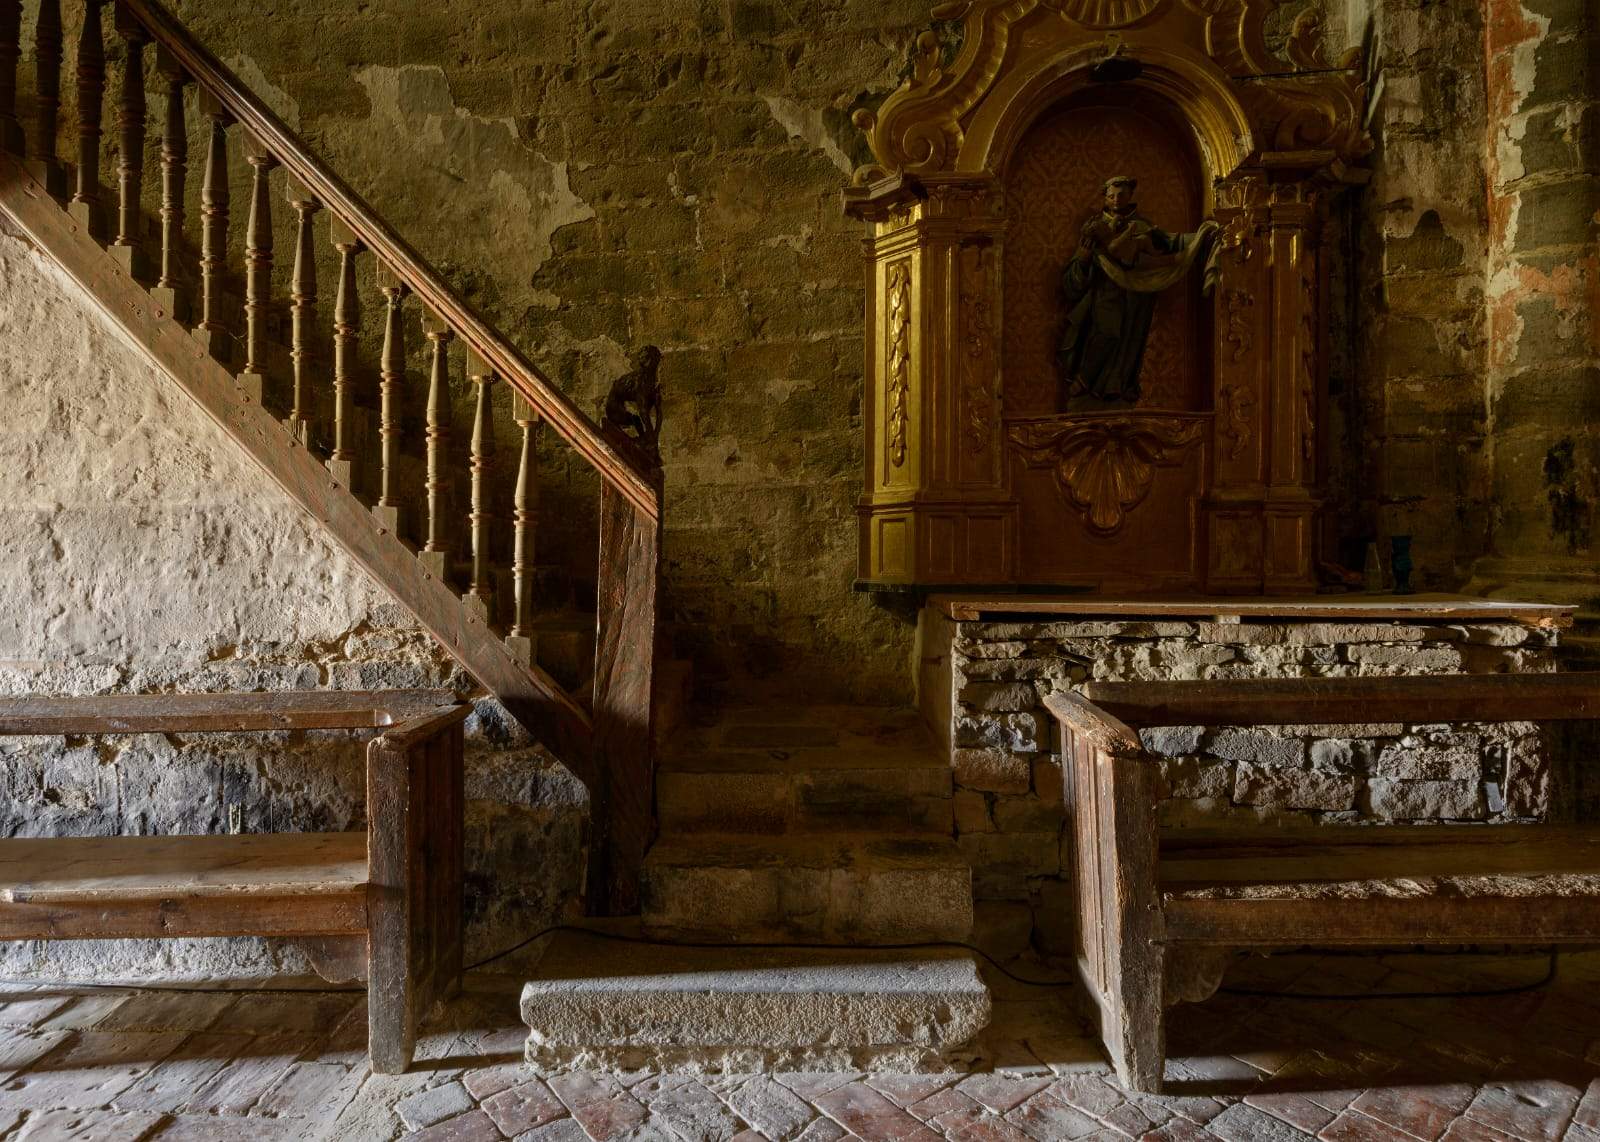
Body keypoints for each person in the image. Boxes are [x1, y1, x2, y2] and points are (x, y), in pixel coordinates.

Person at [1057, 175, 1219, 410]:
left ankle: (1117, 391)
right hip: (1105, 295)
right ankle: (1083, 381)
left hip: (1136, 299)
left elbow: (1170, 241)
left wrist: (1203, 237)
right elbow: (1071, 283)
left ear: (1130, 195)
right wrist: (1082, 261)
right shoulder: (1095, 228)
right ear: (1104, 197)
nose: (1116, 200)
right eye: (1111, 196)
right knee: (1107, 333)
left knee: (1129, 346)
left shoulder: (1141, 226)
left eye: (1121, 195)